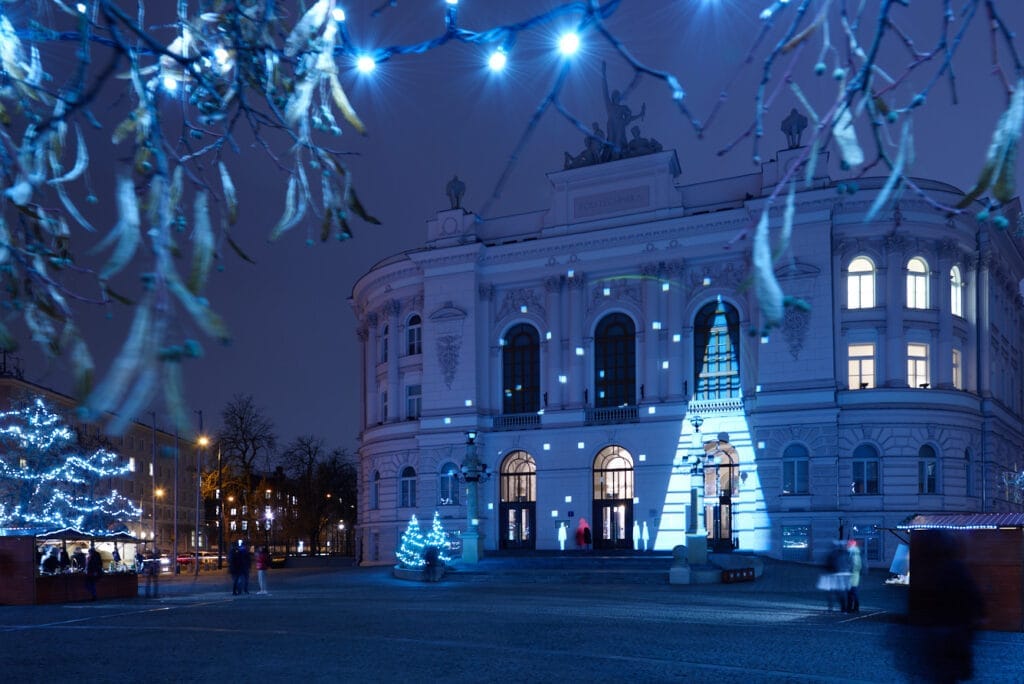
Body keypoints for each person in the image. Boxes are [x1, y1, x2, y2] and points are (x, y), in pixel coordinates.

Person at [817, 540, 851, 611]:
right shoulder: (846, 554)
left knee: (832, 592)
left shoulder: (832, 554)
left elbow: (828, 564)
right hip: (843, 575)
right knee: (840, 592)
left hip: (834, 575)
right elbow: (849, 564)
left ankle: (832, 607)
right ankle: (843, 607)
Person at [846, 539, 862, 613]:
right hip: (854, 577)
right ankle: (854, 608)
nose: (847, 546)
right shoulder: (854, 553)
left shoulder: (854, 554)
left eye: (848, 545)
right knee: (853, 593)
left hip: (853, 577)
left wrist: (848, 570)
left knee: (851, 593)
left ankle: (851, 608)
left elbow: (856, 566)